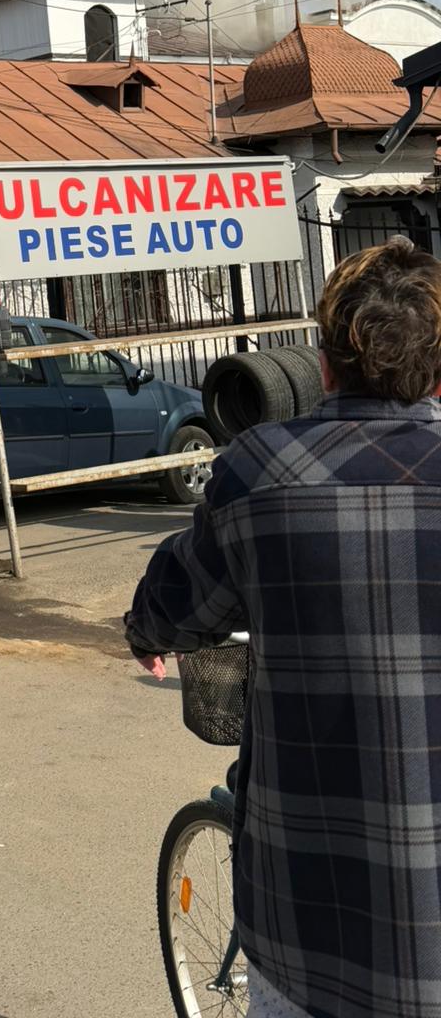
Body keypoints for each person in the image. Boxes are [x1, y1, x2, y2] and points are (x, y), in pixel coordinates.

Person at [126, 236, 441, 1018]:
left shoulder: (258, 470)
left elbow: (177, 600)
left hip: (310, 931)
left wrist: (148, 633)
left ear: (323, 365)